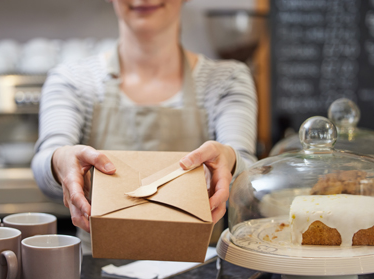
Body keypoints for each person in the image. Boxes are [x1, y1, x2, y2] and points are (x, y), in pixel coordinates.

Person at [32, 0, 258, 254]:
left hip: (195, 265)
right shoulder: (72, 80)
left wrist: (232, 161)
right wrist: (59, 160)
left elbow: (249, 175)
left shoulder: (227, 80)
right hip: (98, 264)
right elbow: (44, 164)